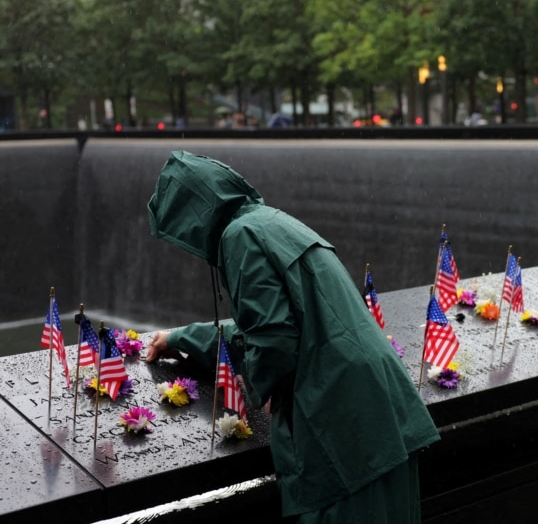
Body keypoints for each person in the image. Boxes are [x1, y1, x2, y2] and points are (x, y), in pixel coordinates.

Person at [145, 151, 439, 523]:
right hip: (378, 413)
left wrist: (251, 383)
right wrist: (182, 338)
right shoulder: (272, 222)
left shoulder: (239, 238)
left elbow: (273, 338)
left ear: (192, 218)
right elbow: (275, 323)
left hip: (339, 423)